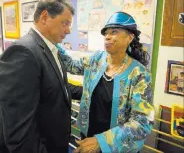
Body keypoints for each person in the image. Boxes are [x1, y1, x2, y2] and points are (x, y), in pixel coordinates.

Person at [57, 11, 155, 153]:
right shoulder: (96, 59)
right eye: (106, 33)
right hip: (88, 138)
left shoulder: (139, 74)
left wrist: (102, 142)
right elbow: (72, 65)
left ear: (130, 37)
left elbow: (142, 122)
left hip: (116, 146)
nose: (107, 37)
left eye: (114, 32)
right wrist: (54, 43)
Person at [0, 0, 82, 153]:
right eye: (65, 23)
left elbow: (57, 86)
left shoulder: (50, 47)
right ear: (44, 17)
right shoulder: (23, 53)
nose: (68, 30)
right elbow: (19, 132)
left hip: (54, 141)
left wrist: (89, 91)